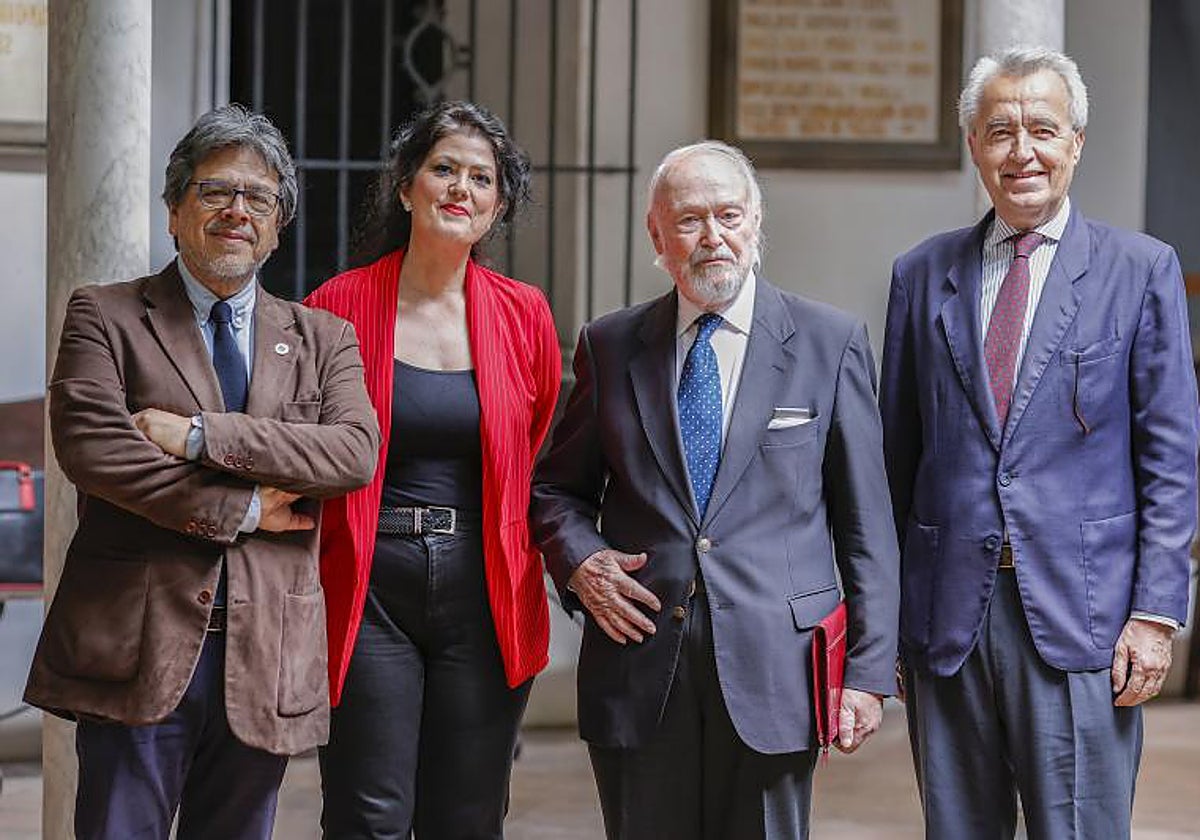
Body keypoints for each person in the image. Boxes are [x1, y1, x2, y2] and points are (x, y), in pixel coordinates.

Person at [24, 105, 380, 839]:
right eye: (216, 191)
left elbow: (352, 453)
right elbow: (97, 452)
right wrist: (246, 510)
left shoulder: (324, 337)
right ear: (174, 211)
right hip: (136, 645)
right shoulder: (106, 316)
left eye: (259, 197)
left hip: (266, 651)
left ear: (279, 224)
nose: (237, 211)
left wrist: (197, 436)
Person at [531, 140, 900, 839]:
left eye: (728, 215)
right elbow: (556, 492)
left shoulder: (830, 342)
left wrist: (868, 672)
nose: (712, 237)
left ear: (756, 222)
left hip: (777, 672)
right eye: (690, 219)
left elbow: (866, 527)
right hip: (639, 664)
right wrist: (580, 563)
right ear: (657, 234)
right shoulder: (610, 346)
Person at [881, 46, 1199, 839]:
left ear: (1076, 143)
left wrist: (1156, 615)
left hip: (1084, 615)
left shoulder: (1140, 269)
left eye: (1042, 130)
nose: (1022, 151)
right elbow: (895, 457)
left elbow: (1171, 458)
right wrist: (879, 616)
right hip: (948, 613)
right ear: (974, 149)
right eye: (999, 131)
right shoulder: (921, 275)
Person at [305, 100, 561, 838]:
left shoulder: (524, 314)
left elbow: (530, 437)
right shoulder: (337, 305)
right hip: (369, 579)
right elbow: (313, 443)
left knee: (468, 816)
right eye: (443, 169)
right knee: (368, 814)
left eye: (481, 178)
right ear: (407, 185)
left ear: (498, 206)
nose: (461, 188)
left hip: (485, 583)